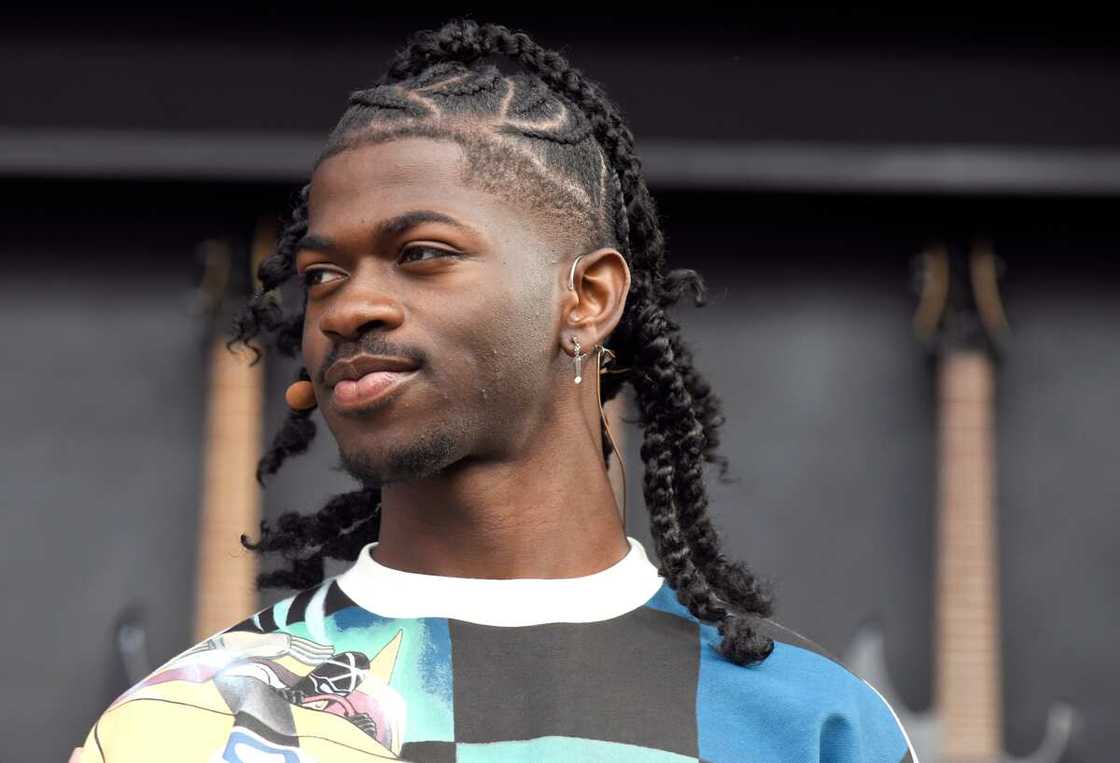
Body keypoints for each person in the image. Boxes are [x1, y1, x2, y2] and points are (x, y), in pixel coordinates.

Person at [73, 18, 918, 762]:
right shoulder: (196, 722)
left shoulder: (810, 725)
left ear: (587, 299)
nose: (349, 306)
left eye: (423, 254)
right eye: (322, 273)